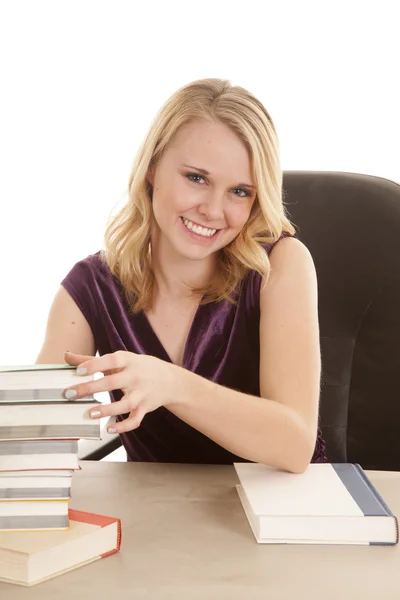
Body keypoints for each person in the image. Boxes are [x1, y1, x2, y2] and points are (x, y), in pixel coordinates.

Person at [36, 78, 327, 472]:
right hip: (163, 518)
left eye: (240, 191)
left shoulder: (281, 265)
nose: (212, 209)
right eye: (197, 178)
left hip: (287, 519)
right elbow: (34, 432)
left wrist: (172, 384)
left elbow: (295, 446)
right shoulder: (91, 287)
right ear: (152, 168)